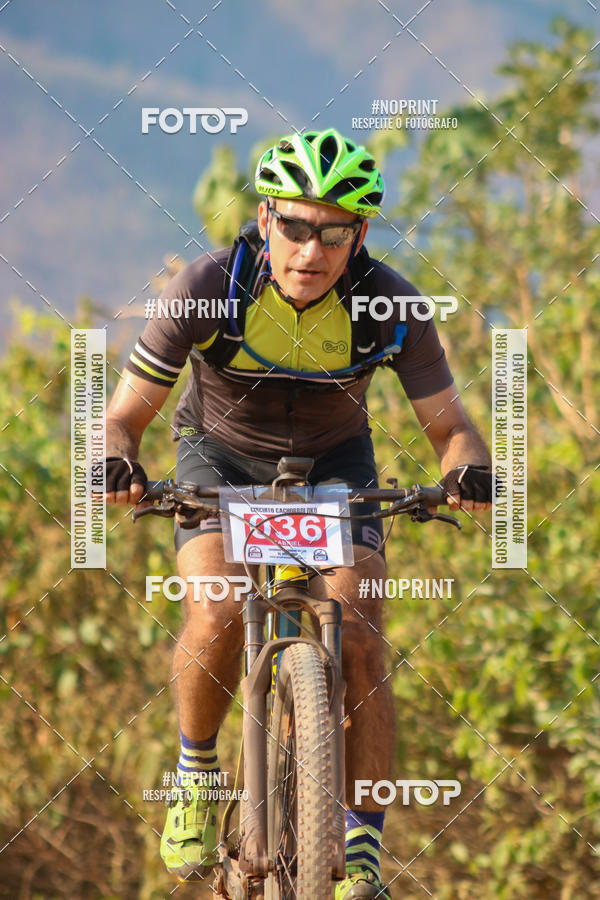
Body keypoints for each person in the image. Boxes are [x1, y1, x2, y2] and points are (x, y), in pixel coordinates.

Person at [103, 128, 493, 899]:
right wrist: (115, 463)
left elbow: (450, 430)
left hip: (336, 470)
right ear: (263, 218)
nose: (311, 251)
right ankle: (196, 768)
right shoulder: (208, 286)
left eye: (333, 232)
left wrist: (468, 472)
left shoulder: (391, 305)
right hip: (218, 459)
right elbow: (123, 418)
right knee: (215, 610)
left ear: (360, 236)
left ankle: (362, 846)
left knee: (361, 636)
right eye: (295, 227)